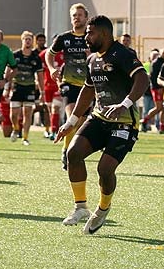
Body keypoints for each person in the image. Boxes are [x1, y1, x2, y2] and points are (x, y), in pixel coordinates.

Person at [56, 15, 149, 234]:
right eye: (87, 32)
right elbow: (88, 90)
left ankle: (103, 208)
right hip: (99, 118)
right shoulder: (92, 59)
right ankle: (80, 207)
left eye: (91, 32)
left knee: (104, 169)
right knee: (73, 154)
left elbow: (142, 79)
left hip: (124, 123)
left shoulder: (123, 54)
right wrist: (71, 122)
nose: (87, 37)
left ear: (105, 34)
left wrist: (124, 104)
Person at [46, 3, 92, 168]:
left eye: (80, 15)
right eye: (74, 15)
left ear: (86, 18)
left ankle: (69, 148)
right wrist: (52, 69)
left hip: (88, 86)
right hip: (69, 84)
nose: (77, 18)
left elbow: (104, 56)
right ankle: (67, 151)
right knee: (73, 116)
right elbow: (49, 55)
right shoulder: (64, 38)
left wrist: (92, 55)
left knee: (81, 122)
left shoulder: (92, 37)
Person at [8, 31, 43, 146]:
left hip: (29, 87)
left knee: (27, 113)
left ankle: (25, 137)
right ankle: (15, 128)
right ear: (22, 40)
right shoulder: (15, 55)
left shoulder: (36, 57)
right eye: (26, 39)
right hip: (17, 86)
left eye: (29, 39)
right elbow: (8, 71)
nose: (28, 41)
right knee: (14, 114)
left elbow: (40, 75)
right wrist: (6, 87)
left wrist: (42, 91)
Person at [142, 48, 164, 132]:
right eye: (154, 56)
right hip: (149, 91)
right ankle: (145, 122)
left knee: (162, 108)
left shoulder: (161, 64)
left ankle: (161, 126)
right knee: (156, 108)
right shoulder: (149, 65)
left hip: (159, 89)